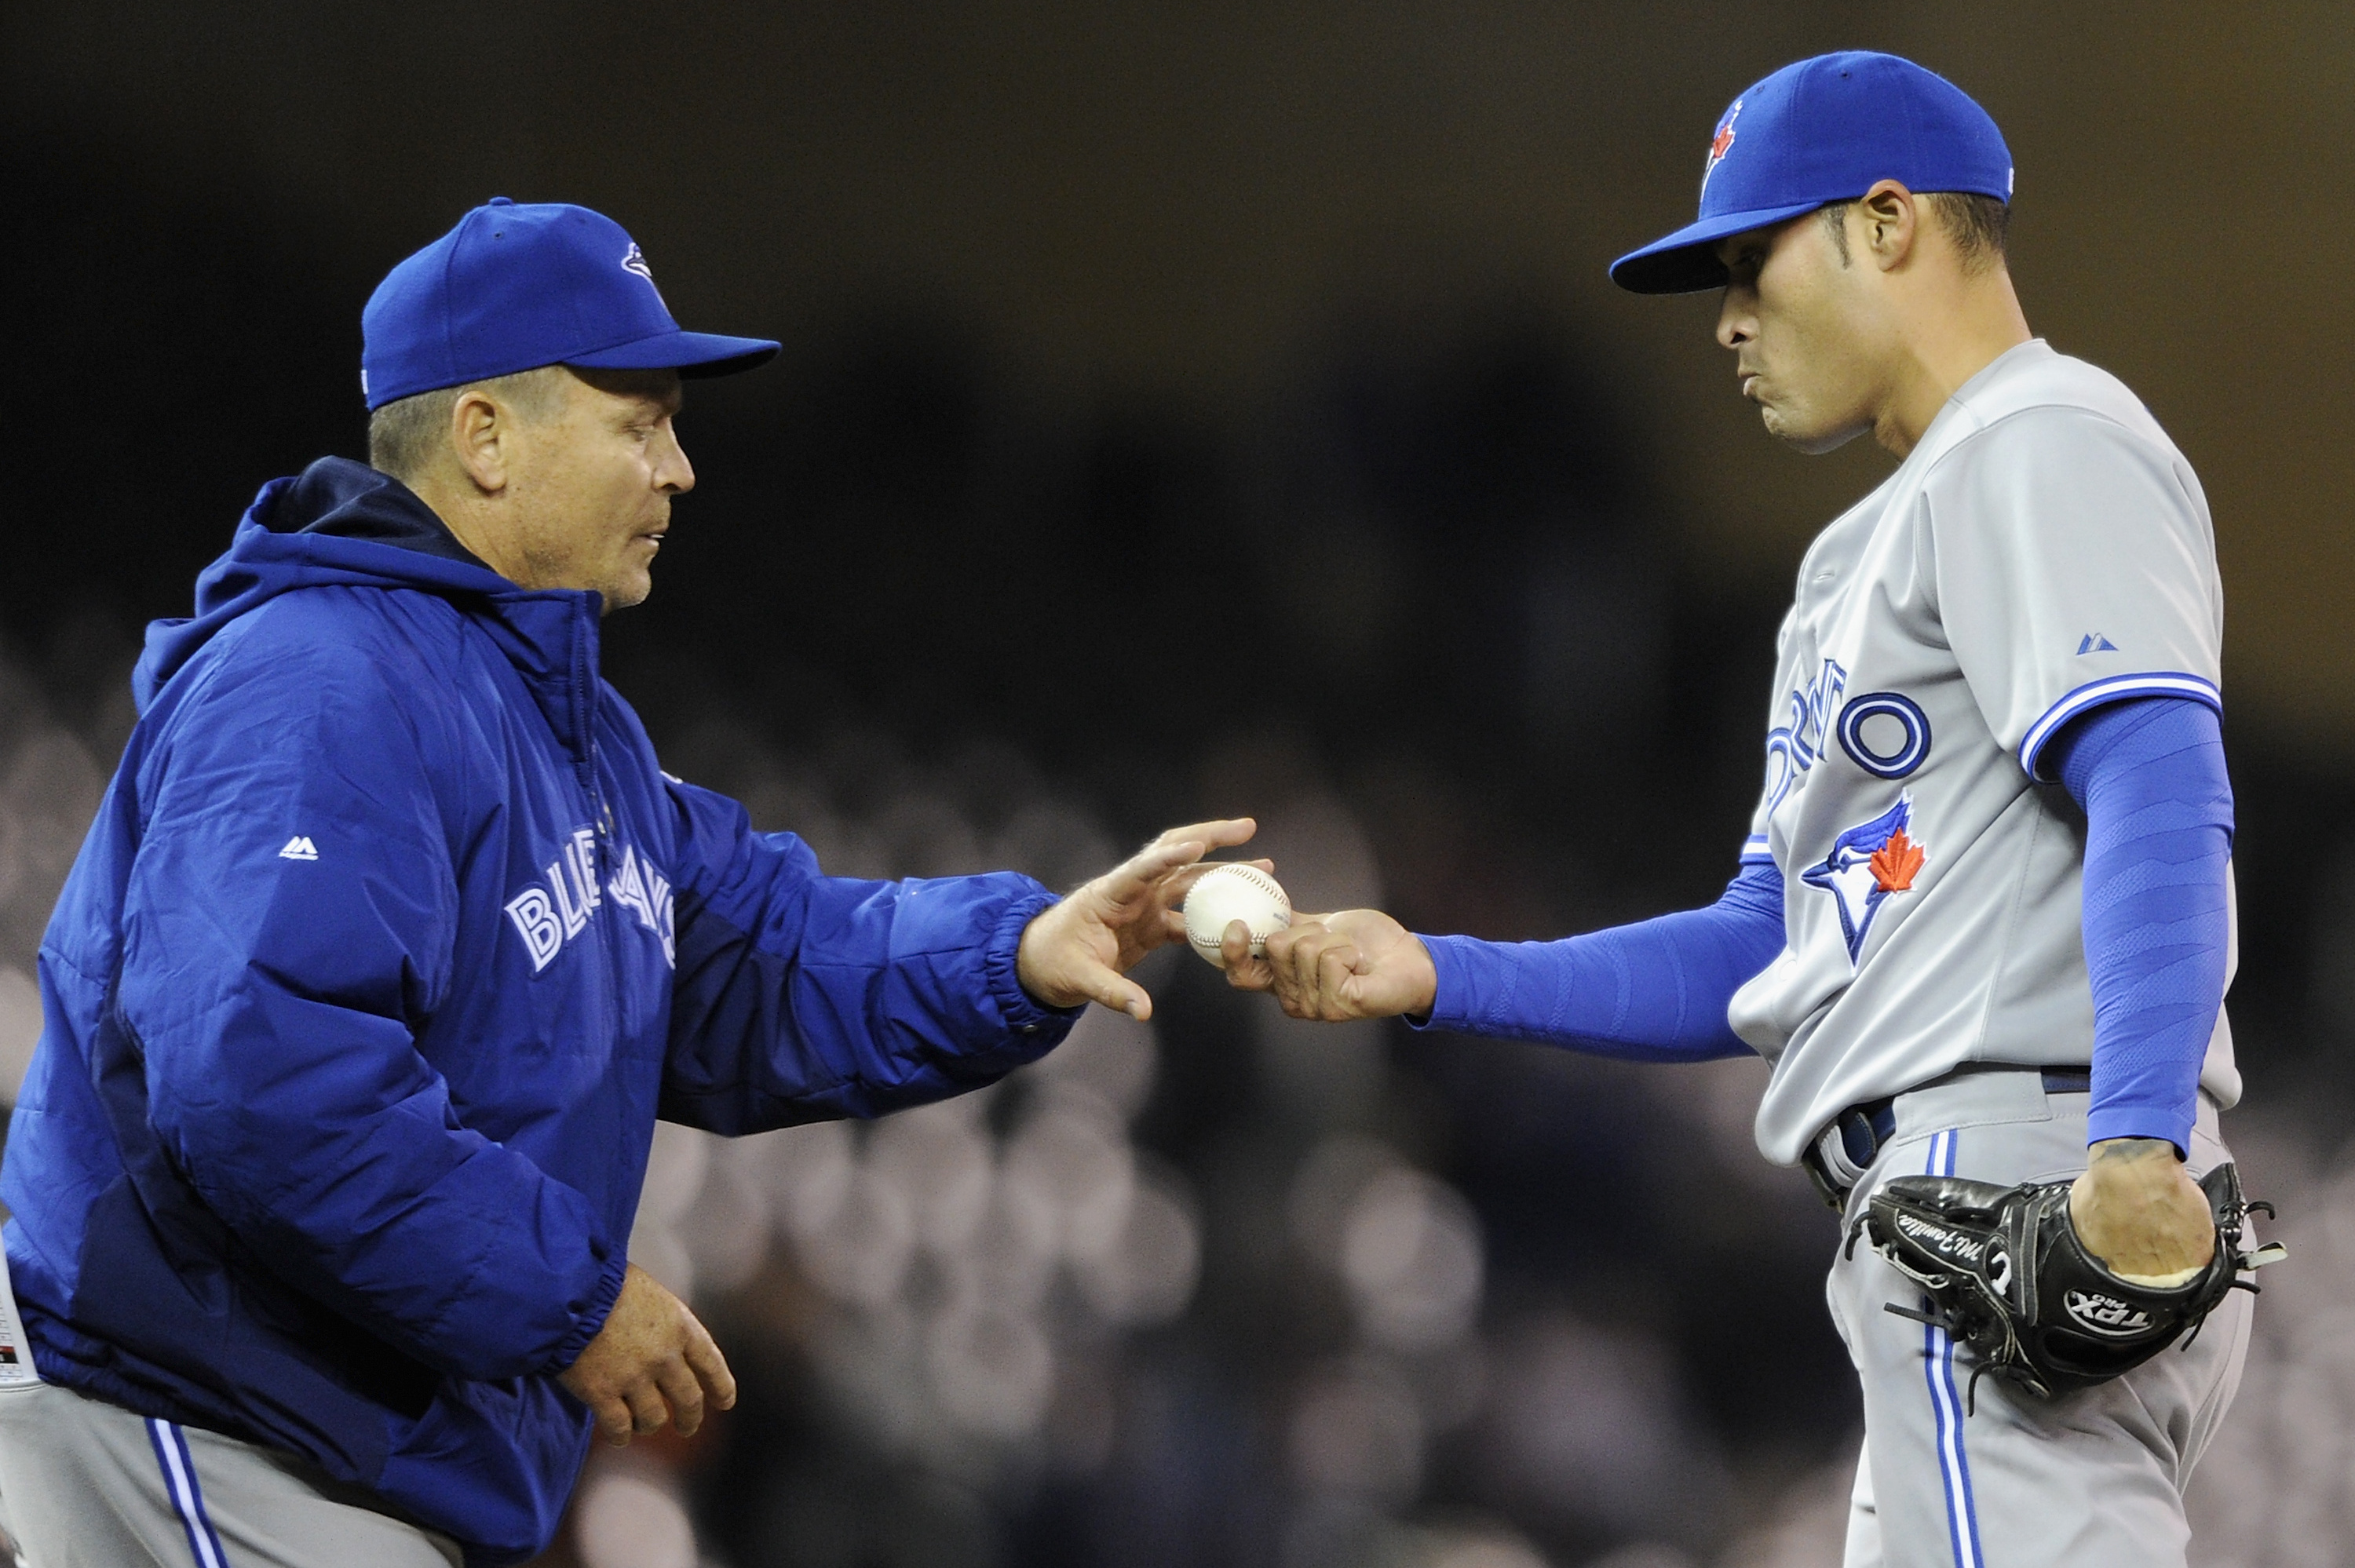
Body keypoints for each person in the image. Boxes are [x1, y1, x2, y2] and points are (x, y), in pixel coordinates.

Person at [0, 197, 1256, 1568]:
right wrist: (570, 1301)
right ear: (485, 439)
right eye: (638, 421)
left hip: (332, 1457)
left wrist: (1020, 947)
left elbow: (755, 955)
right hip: (189, 1426)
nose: (681, 469)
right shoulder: (317, 680)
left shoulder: (559, 729)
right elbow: (260, 1075)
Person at [1225, 52, 2247, 1568]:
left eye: (1751, 262)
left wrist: (2139, 1142)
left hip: (2027, 1164)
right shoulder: (1858, 558)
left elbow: (2159, 776)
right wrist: (1439, 970)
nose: (1728, 321)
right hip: (1945, 1196)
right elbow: (1765, 949)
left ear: (1886, 223)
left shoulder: (2042, 437)